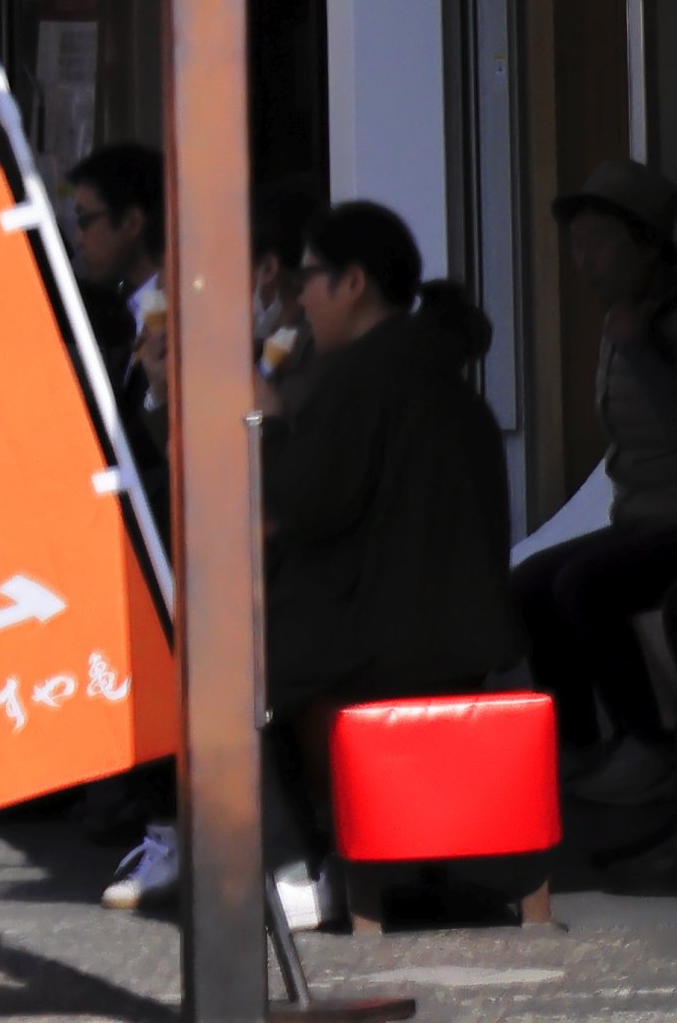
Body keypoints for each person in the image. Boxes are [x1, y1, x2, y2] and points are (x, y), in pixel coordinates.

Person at [264, 197, 523, 929]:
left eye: (310, 278)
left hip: (385, 646)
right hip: (463, 639)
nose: (301, 296)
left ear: (353, 283)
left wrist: (270, 425)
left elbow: (308, 505)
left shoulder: (360, 377)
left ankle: (296, 867)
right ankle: (394, 866)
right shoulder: (434, 371)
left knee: (231, 672)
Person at [530, 159, 677, 852]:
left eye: (599, 243)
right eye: (577, 244)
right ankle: (581, 746)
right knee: (530, 584)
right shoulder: (623, 321)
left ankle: (648, 743)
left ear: (648, 241)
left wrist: (642, 349)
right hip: (644, 518)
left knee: (583, 585)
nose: (583, 262)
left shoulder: (660, 322)